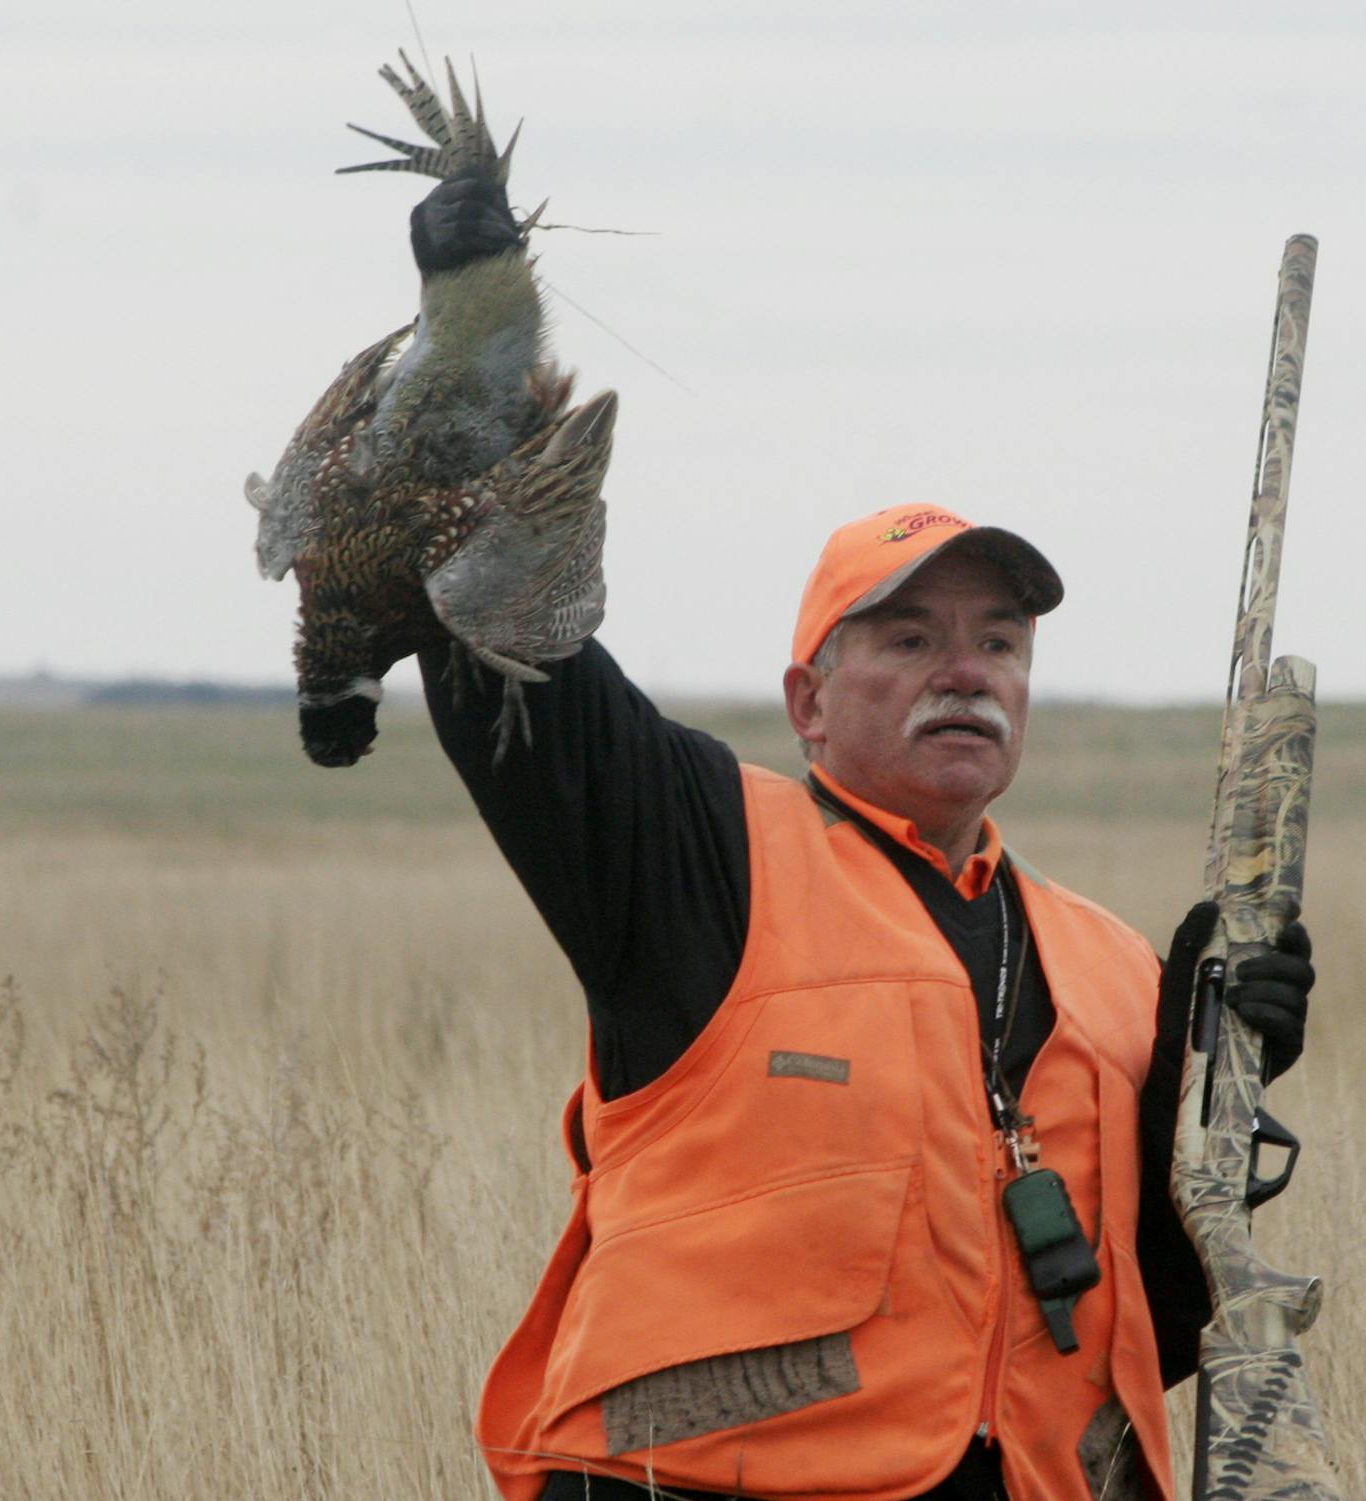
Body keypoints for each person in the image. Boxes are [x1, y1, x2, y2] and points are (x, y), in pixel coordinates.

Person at [420, 504, 1315, 1501]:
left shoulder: (1114, 965)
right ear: (810, 701)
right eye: (910, 637)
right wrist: (471, 506)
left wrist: (1208, 1080)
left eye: (999, 643)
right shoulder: (705, 850)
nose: (966, 671)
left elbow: (1136, 1326)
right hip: (697, 1483)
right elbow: (528, 682)